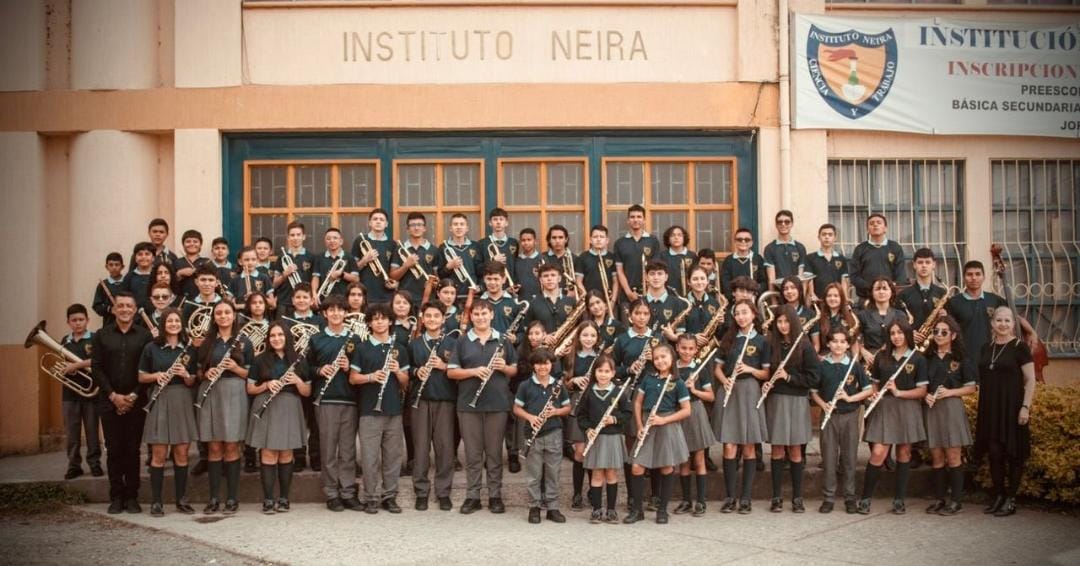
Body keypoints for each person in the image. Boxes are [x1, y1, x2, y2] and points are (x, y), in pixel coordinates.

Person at [447, 299, 519, 515]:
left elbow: (514, 369)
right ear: (471, 317)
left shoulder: (503, 340)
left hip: (497, 404)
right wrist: (473, 371)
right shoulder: (462, 341)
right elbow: (451, 372)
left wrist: (504, 367)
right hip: (468, 405)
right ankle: (473, 496)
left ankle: (495, 496)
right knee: (473, 453)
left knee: (495, 453)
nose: (480, 317)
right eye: (476, 314)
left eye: (484, 313)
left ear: (491, 315)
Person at [91, 291, 153, 514]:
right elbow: (96, 367)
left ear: (135, 310)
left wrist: (133, 395)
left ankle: (132, 496)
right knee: (114, 449)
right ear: (114, 309)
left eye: (129, 306)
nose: (125, 309)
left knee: (133, 449)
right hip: (109, 401)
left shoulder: (145, 336)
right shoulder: (101, 335)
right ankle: (116, 496)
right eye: (121, 306)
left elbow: (148, 369)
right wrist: (113, 395)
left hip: (136, 401)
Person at [858, 319, 928, 515]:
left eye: (900, 332)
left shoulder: (918, 358)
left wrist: (899, 393)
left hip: (908, 407)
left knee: (904, 453)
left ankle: (899, 499)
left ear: (907, 334)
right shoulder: (882, 356)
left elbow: (922, 390)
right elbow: (874, 383)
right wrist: (873, 393)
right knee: (878, 453)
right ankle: (865, 499)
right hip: (885, 407)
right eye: (893, 333)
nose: (896, 336)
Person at [974, 306, 1036, 518]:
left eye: (1007, 321)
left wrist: (1025, 407)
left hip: (1012, 407)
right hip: (990, 408)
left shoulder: (1020, 347)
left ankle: (1011, 498)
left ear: (1013, 324)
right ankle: (999, 495)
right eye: (999, 320)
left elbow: (1030, 380)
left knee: (1014, 454)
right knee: (994, 453)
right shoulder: (986, 348)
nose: (1003, 324)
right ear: (992, 323)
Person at [350, 303, 411, 514]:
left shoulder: (399, 349)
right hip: (369, 410)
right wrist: (370, 377)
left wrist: (397, 372)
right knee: (369, 457)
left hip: (394, 410)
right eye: (375, 318)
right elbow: (353, 378)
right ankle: (371, 497)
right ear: (369, 323)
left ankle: (389, 496)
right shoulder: (362, 348)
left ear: (390, 321)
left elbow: (406, 382)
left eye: (384, 318)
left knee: (393, 457)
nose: (380, 321)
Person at [761, 306, 821, 513]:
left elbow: (814, 377)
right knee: (777, 449)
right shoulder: (770, 344)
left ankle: (797, 497)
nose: (783, 325)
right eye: (779, 322)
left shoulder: (804, 345)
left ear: (794, 322)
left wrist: (788, 378)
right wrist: (767, 384)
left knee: (795, 451)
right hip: (776, 400)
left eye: (787, 321)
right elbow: (765, 372)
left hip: (796, 401)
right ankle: (776, 497)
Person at [196, 300, 254, 514]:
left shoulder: (244, 342)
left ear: (234, 315)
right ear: (214, 317)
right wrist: (206, 373)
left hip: (235, 392)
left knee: (231, 446)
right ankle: (213, 498)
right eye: (218, 313)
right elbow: (198, 372)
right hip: (211, 393)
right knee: (214, 447)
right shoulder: (206, 342)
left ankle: (231, 498)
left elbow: (252, 374)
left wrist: (237, 368)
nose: (223, 316)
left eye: (227, 312)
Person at [138, 307, 198, 516]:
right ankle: (156, 502)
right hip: (160, 398)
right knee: (159, 454)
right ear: (163, 324)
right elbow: (141, 377)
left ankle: (181, 500)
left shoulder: (189, 348)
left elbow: (193, 381)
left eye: (177, 321)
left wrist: (185, 374)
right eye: (169, 321)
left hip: (181, 398)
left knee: (181, 453)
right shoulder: (151, 348)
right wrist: (157, 376)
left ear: (182, 324)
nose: (173, 324)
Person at [246, 322, 310, 514]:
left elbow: (307, 392)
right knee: (268, 452)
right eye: (272, 335)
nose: (276, 338)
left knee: (285, 454)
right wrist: (267, 385)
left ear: (287, 337)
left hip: (290, 406)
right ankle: (268, 499)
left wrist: (297, 381)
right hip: (266, 406)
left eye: (280, 335)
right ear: (268, 339)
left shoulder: (298, 360)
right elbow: (250, 388)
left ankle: (284, 497)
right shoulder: (259, 360)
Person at [306, 296, 363, 512]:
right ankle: (331, 493)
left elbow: (361, 368)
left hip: (349, 399)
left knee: (348, 450)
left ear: (346, 313)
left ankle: (348, 492)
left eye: (340, 310)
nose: (336, 313)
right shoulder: (317, 339)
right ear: (325, 314)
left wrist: (349, 367)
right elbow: (307, 369)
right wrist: (321, 370)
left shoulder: (354, 339)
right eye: (332, 310)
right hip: (326, 399)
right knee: (328, 450)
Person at [714, 299, 770, 514]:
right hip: (730, 391)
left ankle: (745, 497)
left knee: (747, 446)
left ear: (754, 314)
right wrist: (724, 379)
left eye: (745, 313)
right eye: (737, 313)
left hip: (749, 391)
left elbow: (765, 374)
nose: (741, 317)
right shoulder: (729, 339)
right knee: (729, 446)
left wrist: (748, 368)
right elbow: (717, 368)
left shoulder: (762, 341)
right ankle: (730, 496)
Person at [625, 343, 692, 524]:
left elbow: (686, 410)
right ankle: (637, 510)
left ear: (672, 359)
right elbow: (638, 403)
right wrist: (639, 425)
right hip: (647, 423)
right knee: (637, 466)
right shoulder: (648, 378)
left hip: (667, 424)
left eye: (664, 357)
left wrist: (664, 420)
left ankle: (662, 510)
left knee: (666, 466)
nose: (660, 361)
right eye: (656, 358)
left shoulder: (677, 382)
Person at [810, 329, 872, 514]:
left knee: (849, 458)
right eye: (834, 341)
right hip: (829, 416)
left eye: (842, 342)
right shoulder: (822, 365)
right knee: (829, 458)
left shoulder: (854, 365)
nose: (838, 345)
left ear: (847, 344)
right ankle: (828, 497)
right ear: (828, 344)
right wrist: (824, 405)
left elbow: (868, 390)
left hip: (850, 416)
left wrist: (850, 398)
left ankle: (850, 497)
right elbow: (814, 392)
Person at [923, 315, 977, 516]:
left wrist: (950, 392)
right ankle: (939, 498)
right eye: (936, 332)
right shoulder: (926, 359)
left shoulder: (961, 359)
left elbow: (971, 387)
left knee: (953, 456)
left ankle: (956, 501)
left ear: (953, 335)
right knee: (936, 456)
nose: (939, 335)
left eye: (944, 332)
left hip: (952, 408)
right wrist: (926, 396)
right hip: (932, 410)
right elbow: (921, 385)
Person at [408, 302, 459, 511]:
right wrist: (415, 372)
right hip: (421, 401)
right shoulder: (414, 344)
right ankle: (421, 492)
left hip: (445, 400)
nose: (431, 320)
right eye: (428, 316)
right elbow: (407, 367)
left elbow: (459, 369)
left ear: (443, 319)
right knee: (420, 448)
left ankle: (443, 492)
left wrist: (444, 366)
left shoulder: (453, 343)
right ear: (422, 318)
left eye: (436, 316)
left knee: (445, 448)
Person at [513, 348, 571, 524]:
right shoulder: (525, 386)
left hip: (554, 433)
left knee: (553, 473)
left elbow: (568, 408)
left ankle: (553, 508)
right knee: (534, 474)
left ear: (551, 364)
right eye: (538, 363)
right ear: (533, 366)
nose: (542, 367)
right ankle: (534, 507)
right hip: (533, 435)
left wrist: (555, 411)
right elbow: (516, 408)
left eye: (546, 363)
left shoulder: (558, 386)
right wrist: (530, 417)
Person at [946, 260, 1036, 361]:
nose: (974, 278)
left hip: (992, 356)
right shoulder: (953, 302)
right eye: (969, 274)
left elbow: (1015, 317)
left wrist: (1031, 332)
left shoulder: (995, 300)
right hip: (964, 357)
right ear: (964, 277)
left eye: (978, 274)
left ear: (984, 277)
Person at [578, 354, 629, 524]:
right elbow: (581, 416)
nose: (603, 374)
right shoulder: (588, 392)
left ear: (613, 373)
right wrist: (588, 429)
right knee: (597, 474)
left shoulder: (619, 391)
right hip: (596, 439)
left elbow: (627, 415)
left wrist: (613, 419)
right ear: (595, 372)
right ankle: (596, 510)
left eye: (607, 371)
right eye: (600, 371)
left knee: (611, 473)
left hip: (613, 437)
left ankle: (612, 510)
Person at [557, 320, 602, 511]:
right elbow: (563, 382)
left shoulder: (601, 357)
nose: (589, 339)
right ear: (578, 337)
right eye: (585, 335)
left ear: (597, 337)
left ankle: (593, 490)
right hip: (577, 404)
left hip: (595, 405)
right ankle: (577, 493)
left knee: (592, 450)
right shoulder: (571, 356)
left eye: (592, 335)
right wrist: (573, 380)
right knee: (579, 451)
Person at [673, 334, 715, 517]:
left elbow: (711, 396)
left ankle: (701, 501)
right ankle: (686, 501)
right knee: (683, 461)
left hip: (696, 412)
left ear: (695, 350)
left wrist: (693, 390)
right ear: (677, 348)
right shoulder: (672, 369)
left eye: (691, 349)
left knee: (698, 460)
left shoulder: (700, 369)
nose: (687, 352)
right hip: (679, 414)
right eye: (683, 348)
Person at [60, 304, 102, 480]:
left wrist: (76, 365)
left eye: (81, 320)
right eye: (74, 320)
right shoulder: (65, 341)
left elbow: (98, 360)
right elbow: (61, 364)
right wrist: (64, 369)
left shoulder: (94, 339)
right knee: (72, 432)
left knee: (92, 431)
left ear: (87, 320)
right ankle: (74, 465)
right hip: (69, 394)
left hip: (91, 393)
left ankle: (95, 464)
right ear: (68, 322)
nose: (78, 323)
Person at [850, 214, 907, 301]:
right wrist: (872, 287)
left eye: (879, 223)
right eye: (871, 223)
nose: (875, 225)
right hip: (866, 298)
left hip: (890, 298)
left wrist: (889, 288)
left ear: (885, 228)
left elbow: (901, 274)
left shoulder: (895, 247)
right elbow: (854, 276)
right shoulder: (860, 249)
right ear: (867, 230)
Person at [613, 204, 660, 310]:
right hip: (626, 295)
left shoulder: (653, 241)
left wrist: (649, 289)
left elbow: (655, 269)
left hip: (650, 294)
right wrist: (629, 293)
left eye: (639, 217)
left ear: (644, 220)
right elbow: (619, 271)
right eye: (632, 217)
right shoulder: (620, 243)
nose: (635, 220)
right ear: (628, 221)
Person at [857, 277, 908, 371]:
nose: (881, 292)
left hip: (895, 359)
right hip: (871, 360)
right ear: (872, 293)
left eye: (885, 288)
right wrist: (863, 352)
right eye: (877, 289)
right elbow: (854, 339)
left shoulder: (900, 315)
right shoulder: (862, 315)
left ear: (891, 292)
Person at [899, 248, 947, 345]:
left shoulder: (942, 293)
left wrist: (945, 317)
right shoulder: (904, 294)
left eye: (927, 262)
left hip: (936, 344)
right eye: (920, 262)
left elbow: (950, 323)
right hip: (911, 344)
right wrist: (908, 333)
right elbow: (898, 321)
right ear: (914, 265)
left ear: (934, 265)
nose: (924, 265)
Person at [352, 208, 398, 305]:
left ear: (387, 224)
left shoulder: (392, 244)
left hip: (387, 295)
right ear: (370, 222)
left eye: (382, 220)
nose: (378, 222)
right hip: (364, 294)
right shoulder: (360, 240)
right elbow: (352, 270)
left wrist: (395, 283)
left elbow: (394, 272)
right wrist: (365, 260)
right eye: (375, 219)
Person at [392, 212, 439, 304]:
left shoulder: (434, 250)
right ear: (407, 229)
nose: (416, 228)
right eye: (412, 225)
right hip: (405, 300)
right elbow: (393, 276)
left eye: (419, 225)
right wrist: (406, 266)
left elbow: (437, 277)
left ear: (424, 228)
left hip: (428, 299)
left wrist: (434, 283)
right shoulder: (399, 249)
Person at [272, 221, 313, 316]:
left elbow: (314, 282)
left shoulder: (311, 257)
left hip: (304, 303)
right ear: (288, 238)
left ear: (304, 237)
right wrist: (285, 274)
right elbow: (274, 284)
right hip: (284, 303)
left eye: (298, 235)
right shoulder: (282, 257)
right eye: (292, 235)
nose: (295, 238)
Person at [312, 227, 360, 305]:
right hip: (324, 299)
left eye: (335, 238)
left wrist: (341, 274)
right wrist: (314, 293)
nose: (332, 241)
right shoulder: (319, 257)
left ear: (341, 241)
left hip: (344, 298)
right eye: (328, 239)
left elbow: (356, 279)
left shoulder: (349, 257)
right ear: (325, 242)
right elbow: (316, 277)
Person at [438, 213, 482, 298]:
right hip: (452, 297)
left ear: (467, 228)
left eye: (462, 224)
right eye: (455, 224)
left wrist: (480, 287)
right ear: (450, 228)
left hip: (473, 295)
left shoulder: (475, 246)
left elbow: (481, 271)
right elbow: (440, 275)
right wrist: (448, 267)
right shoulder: (443, 247)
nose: (458, 227)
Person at [576, 225, 619, 308]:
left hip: (608, 302)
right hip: (589, 302)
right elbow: (578, 281)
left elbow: (615, 282)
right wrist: (586, 298)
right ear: (590, 240)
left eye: (602, 237)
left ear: (607, 240)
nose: (598, 239)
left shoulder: (612, 257)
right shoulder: (583, 257)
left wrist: (613, 301)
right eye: (595, 237)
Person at [804, 223, 850, 301]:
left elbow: (844, 281)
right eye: (824, 234)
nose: (827, 237)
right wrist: (812, 294)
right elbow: (809, 279)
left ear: (835, 238)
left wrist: (845, 298)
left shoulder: (841, 258)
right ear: (819, 237)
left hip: (836, 299)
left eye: (830, 234)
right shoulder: (810, 257)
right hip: (818, 299)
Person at [763, 210, 808, 286]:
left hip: (795, 292)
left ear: (792, 224)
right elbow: (771, 279)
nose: (783, 224)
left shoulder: (800, 247)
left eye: (787, 222)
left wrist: (800, 296)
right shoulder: (769, 248)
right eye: (780, 222)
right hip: (778, 292)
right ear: (776, 225)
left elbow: (801, 277)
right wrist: (773, 297)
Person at [720, 228, 767, 299]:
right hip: (734, 301)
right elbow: (725, 284)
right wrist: (736, 296)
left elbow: (763, 282)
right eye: (739, 239)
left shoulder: (757, 259)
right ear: (735, 242)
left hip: (754, 301)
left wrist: (754, 294)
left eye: (747, 240)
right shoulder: (728, 261)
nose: (743, 241)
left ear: (751, 243)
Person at [479, 207, 519, 292]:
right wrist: (493, 260)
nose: (498, 222)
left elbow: (516, 266)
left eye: (501, 219)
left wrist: (514, 284)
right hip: (489, 289)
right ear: (490, 223)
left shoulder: (513, 243)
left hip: (510, 288)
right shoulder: (482, 243)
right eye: (495, 219)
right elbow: (478, 269)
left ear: (506, 223)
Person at [815, 282, 860, 355]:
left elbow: (854, 344)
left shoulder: (850, 317)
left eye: (836, 296)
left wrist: (855, 364)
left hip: (845, 359)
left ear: (841, 298)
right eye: (829, 296)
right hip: (824, 358)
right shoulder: (818, 317)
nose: (832, 298)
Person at [540, 224, 577, 296]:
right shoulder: (542, 258)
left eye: (560, 237)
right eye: (554, 238)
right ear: (549, 240)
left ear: (566, 239)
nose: (557, 241)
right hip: (547, 299)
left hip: (569, 299)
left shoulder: (575, 259)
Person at [173, 229, 209, 300]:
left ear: (200, 244)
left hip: (202, 300)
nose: (192, 244)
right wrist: (179, 273)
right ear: (183, 244)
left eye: (195, 241)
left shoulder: (207, 262)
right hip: (181, 300)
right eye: (188, 241)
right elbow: (170, 283)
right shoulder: (176, 262)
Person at [661, 225, 695, 297]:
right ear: (668, 239)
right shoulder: (662, 256)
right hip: (668, 295)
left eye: (679, 235)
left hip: (690, 295)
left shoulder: (692, 256)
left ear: (684, 238)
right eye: (672, 235)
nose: (676, 237)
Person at [93, 252, 126, 326]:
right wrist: (110, 309)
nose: (114, 267)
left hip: (127, 322)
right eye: (111, 265)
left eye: (117, 265)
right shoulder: (102, 285)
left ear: (122, 267)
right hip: (109, 324)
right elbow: (96, 306)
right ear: (106, 267)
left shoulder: (128, 282)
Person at [124, 242, 156, 313]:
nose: (143, 257)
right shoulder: (129, 276)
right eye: (140, 254)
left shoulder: (158, 275)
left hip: (155, 314)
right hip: (134, 315)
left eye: (147, 254)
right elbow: (124, 297)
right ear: (135, 258)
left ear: (153, 258)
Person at [513, 228, 543, 300]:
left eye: (529, 240)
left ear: (535, 241)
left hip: (539, 299)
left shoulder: (542, 259)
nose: (526, 243)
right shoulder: (516, 260)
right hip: (520, 300)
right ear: (520, 242)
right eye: (523, 240)